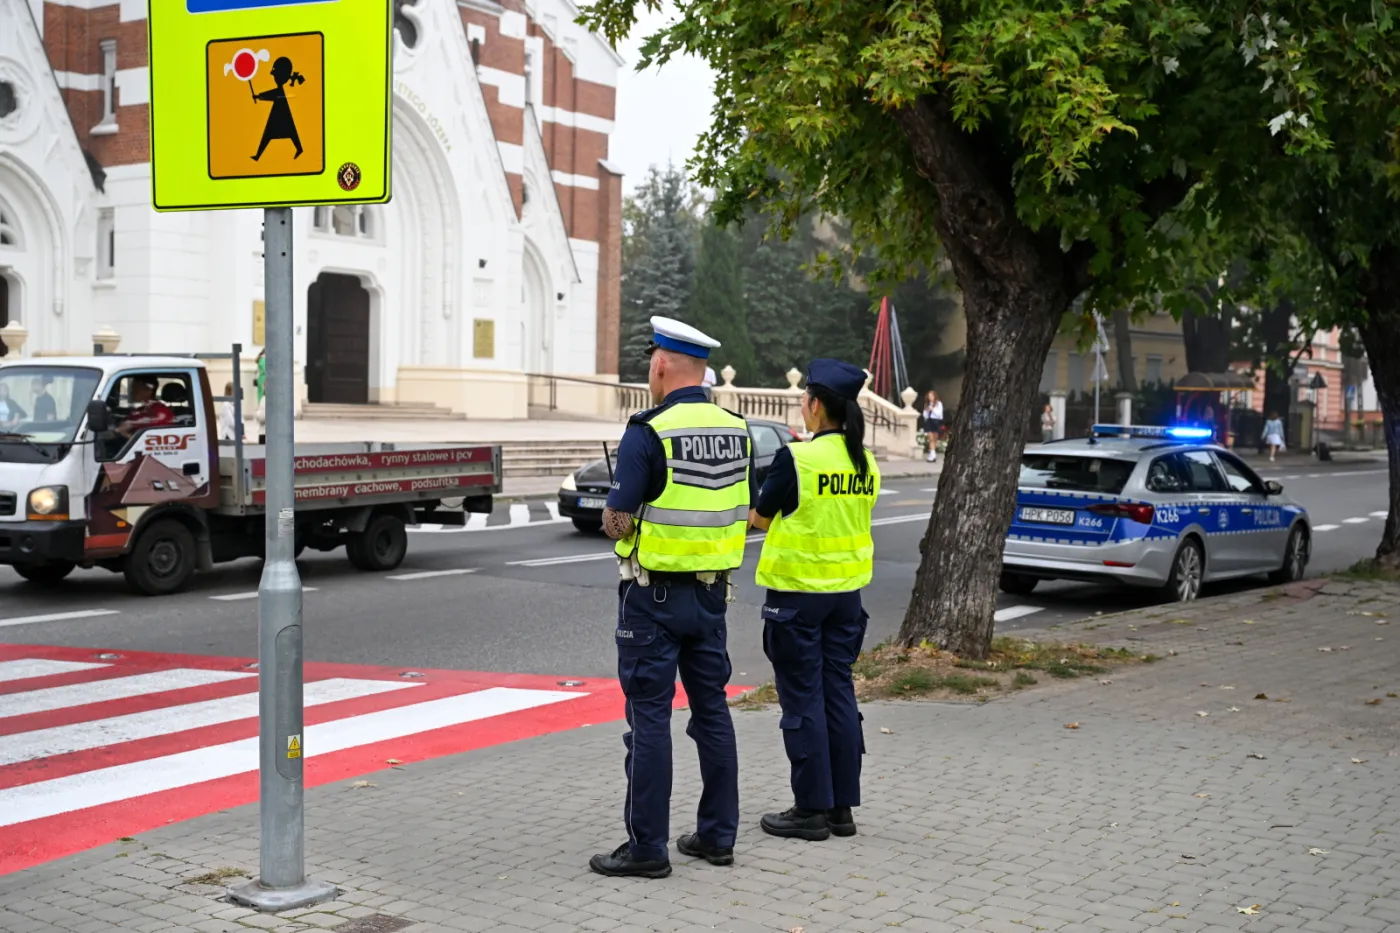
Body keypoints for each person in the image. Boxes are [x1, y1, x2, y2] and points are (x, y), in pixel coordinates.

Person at [590, 316, 751, 879]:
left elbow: (615, 520)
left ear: (661, 364)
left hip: (651, 599)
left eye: (650, 362)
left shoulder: (648, 429)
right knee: (713, 714)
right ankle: (717, 837)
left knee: (650, 721)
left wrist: (621, 524)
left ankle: (647, 850)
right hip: (712, 598)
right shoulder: (739, 429)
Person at [749, 358, 880, 842]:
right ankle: (841, 809)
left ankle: (809, 811)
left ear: (817, 405)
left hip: (798, 599)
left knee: (803, 701)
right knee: (839, 696)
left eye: (805, 400)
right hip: (847, 598)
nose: (802, 407)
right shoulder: (866, 464)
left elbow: (759, 520)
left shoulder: (797, 459)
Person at [920, 390, 943, 462]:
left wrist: (932, 409)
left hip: (936, 421)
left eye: (932, 396)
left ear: (935, 396)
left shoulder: (939, 403)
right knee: (930, 437)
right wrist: (927, 411)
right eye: (929, 396)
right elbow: (924, 415)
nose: (930, 398)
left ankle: (933, 454)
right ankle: (932, 454)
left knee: (934, 438)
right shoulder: (927, 404)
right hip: (929, 421)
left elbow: (939, 415)